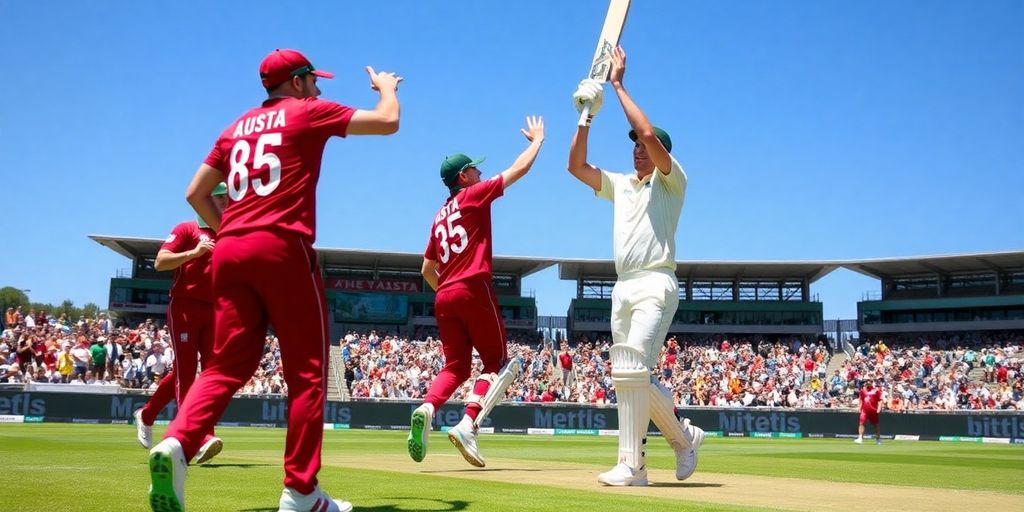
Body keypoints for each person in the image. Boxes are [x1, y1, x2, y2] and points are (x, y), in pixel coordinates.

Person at [146, 48, 401, 512]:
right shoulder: (307, 112)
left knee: (225, 367)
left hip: (229, 252)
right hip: (282, 246)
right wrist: (386, 87)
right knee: (306, 376)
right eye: (315, 80)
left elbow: (195, 193)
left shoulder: (233, 128)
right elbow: (387, 122)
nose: (320, 88)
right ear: (299, 81)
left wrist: (228, 231)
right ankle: (301, 493)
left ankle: (177, 443)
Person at [567, 46, 703, 487]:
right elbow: (575, 167)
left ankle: (634, 466)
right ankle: (682, 438)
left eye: (644, 148)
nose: (637, 152)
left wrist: (619, 85)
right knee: (629, 374)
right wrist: (586, 115)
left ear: (660, 150)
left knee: (632, 369)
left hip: (656, 282)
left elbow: (644, 131)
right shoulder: (622, 185)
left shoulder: (672, 179)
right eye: (634, 149)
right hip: (622, 286)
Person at [407, 116, 544, 468]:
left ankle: (427, 407)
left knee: (455, 366)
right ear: (463, 177)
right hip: (472, 285)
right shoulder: (473, 196)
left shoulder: (438, 216)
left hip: (443, 294)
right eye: (474, 170)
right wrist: (537, 141)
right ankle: (468, 424)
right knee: (498, 363)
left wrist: (448, 289)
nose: (480, 174)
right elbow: (518, 170)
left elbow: (426, 269)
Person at [133, 184, 229, 466]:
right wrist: (194, 253)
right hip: (185, 306)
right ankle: (200, 436)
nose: (225, 201)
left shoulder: (227, 231)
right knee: (185, 374)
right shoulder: (187, 229)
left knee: (212, 375)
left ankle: (148, 414)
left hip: (215, 311)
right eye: (220, 196)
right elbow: (161, 262)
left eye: (226, 196)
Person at [855, 377, 884, 444]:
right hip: (864, 411)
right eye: (867, 381)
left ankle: (878, 439)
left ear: (872, 383)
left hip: (873, 411)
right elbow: (861, 400)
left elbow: (880, 400)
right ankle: (860, 438)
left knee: (876, 425)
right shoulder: (863, 391)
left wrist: (879, 408)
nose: (868, 383)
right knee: (861, 423)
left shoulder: (876, 390)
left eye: (869, 381)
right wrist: (859, 408)